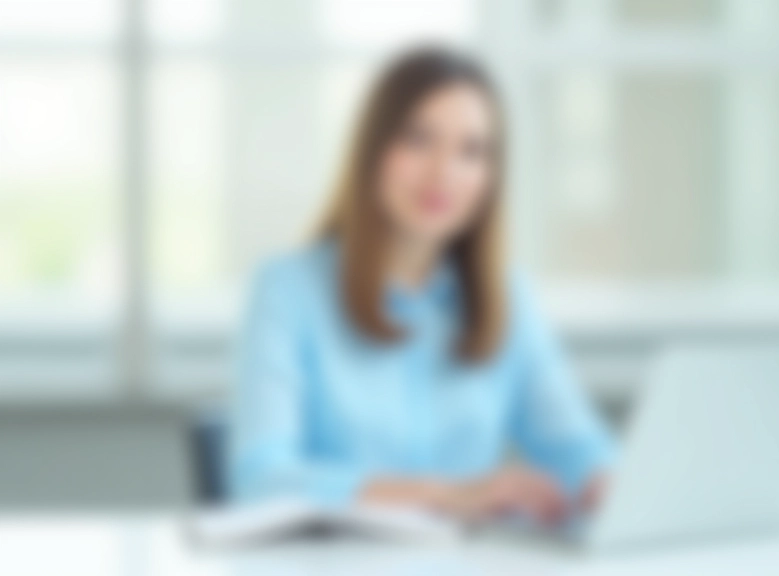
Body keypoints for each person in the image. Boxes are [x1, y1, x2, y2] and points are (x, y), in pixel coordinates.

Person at [228, 47, 612, 525]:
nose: (443, 173)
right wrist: (443, 496)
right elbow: (262, 480)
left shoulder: (507, 297)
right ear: (373, 151)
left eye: (471, 151)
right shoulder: (287, 291)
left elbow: (577, 448)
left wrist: (604, 480)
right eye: (417, 140)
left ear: (491, 176)